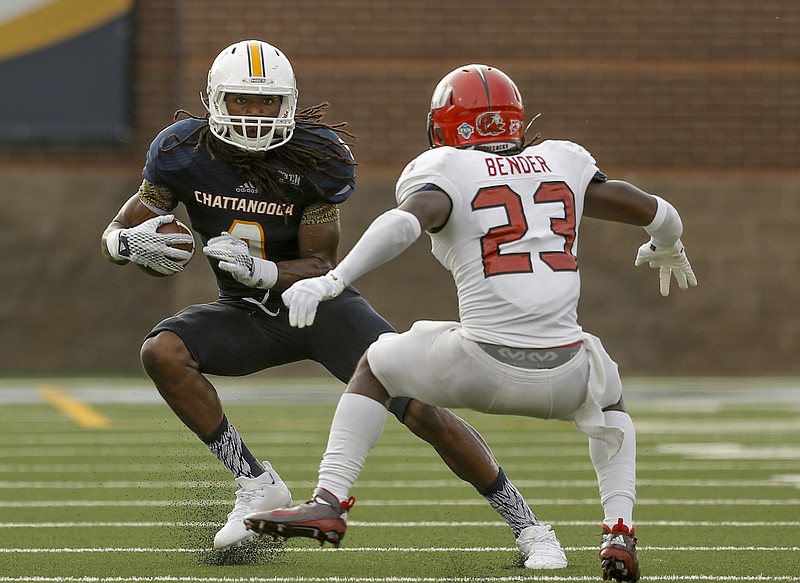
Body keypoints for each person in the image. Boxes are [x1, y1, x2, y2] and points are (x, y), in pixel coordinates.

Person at [100, 42, 555, 564]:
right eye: (242, 101)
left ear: (288, 104)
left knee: (423, 411)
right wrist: (122, 243)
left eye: (267, 102)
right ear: (214, 100)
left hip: (321, 309)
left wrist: (264, 271)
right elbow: (125, 222)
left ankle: (529, 527)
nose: (254, 115)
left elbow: (321, 263)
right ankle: (254, 483)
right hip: (247, 313)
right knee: (163, 352)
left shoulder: (316, 156)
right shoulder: (182, 151)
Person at [242, 63, 698, 582]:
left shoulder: (446, 171)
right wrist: (667, 244)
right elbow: (658, 211)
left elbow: (404, 223)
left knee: (376, 363)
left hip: (480, 364)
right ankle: (618, 530)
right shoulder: (564, 160)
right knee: (609, 391)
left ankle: (329, 500)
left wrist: (333, 280)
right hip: (564, 376)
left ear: (445, 127)